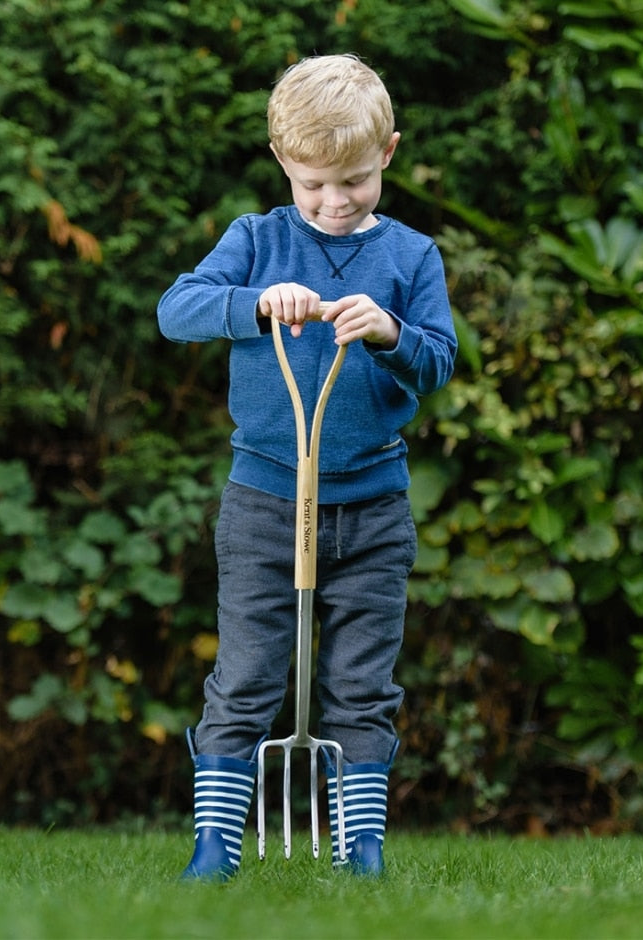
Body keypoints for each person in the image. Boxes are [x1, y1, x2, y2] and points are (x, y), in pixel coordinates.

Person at [157, 54, 457, 880]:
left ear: (388, 152)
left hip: (373, 506)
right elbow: (176, 309)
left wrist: (393, 333)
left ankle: (361, 850)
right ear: (282, 162)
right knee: (246, 676)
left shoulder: (411, 256)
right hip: (262, 500)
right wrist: (254, 301)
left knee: (361, 685)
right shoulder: (256, 240)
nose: (333, 202)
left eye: (355, 181)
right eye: (313, 184)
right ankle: (214, 848)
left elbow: (438, 362)